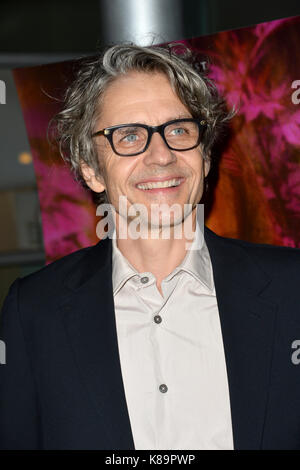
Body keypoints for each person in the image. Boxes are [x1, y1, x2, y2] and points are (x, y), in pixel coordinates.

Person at [1, 43, 300, 451]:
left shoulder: (292, 290)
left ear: (206, 156)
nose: (161, 155)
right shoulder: (34, 311)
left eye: (179, 129)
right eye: (129, 136)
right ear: (90, 169)